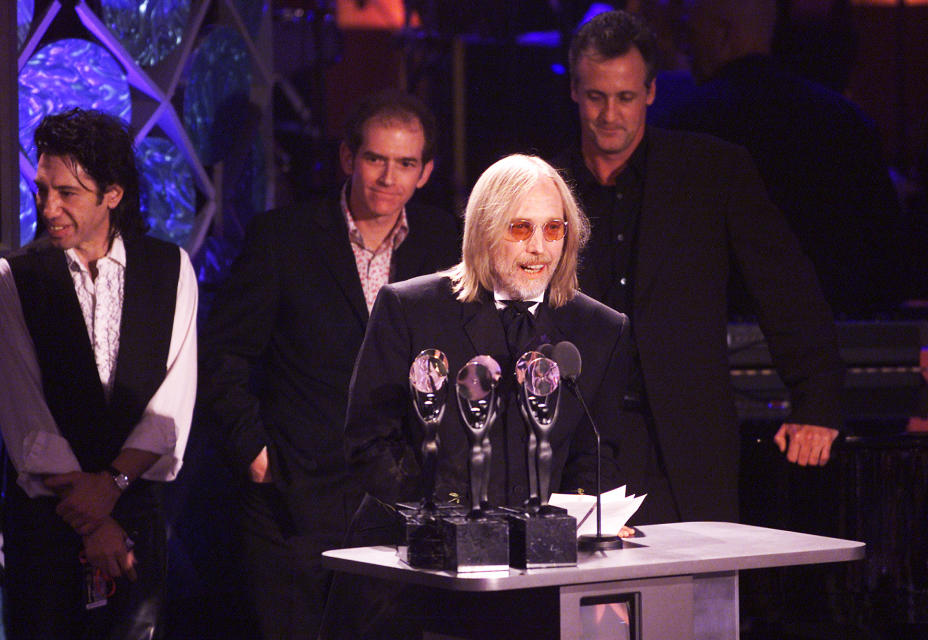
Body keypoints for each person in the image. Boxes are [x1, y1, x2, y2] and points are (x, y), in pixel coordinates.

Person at [553, 10, 845, 524]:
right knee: (582, 603)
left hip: (687, 442)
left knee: (695, 599)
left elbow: (786, 290)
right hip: (573, 441)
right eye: (596, 96)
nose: (610, 114)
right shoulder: (543, 183)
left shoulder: (712, 172)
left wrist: (815, 402)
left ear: (651, 93)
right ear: (575, 91)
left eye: (625, 97)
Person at [330, 153, 634, 638]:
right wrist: (454, 522)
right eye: (520, 229)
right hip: (415, 574)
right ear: (484, 231)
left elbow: (596, 453)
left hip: (538, 585)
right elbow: (370, 443)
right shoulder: (410, 308)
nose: (539, 248)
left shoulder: (600, 329)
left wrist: (577, 517)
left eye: (553, 229)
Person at [199, 90, 460, 639]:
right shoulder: (283, 238)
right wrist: (255, 453)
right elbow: (222, 355)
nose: (388, 178)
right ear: (348, 159)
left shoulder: (445, 243)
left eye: (405, 163)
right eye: (375, 159)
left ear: (426, 172)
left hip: (403, 507)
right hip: (293, 507)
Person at [0, 108, 198, 640]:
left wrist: (114, 487)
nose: (48, 207)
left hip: (137, 517)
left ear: (113, 194)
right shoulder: (16, 278)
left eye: (67, 193)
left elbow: (169, 410)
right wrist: (94, 520)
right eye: (42, 190)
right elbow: (26, 418)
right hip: (49, 522)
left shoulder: (171, 270)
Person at [650, 0, 908, 317]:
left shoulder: (682, 126)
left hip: (719, 349)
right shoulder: (849, 123)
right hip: (839, 350)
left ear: (723, 34)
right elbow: (890, 268)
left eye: (688, 34)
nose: (683, 48)